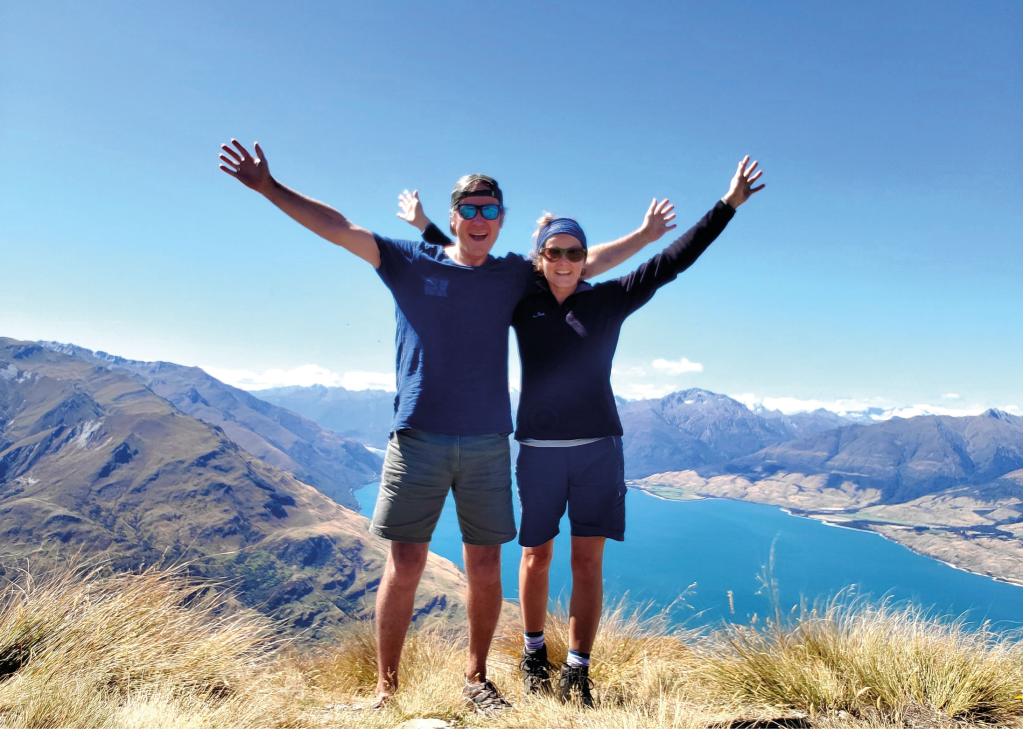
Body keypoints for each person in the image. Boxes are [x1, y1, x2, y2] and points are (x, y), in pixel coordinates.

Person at [217, 139, 677, 712]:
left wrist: (644, 237)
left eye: (490, 210)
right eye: (470, 209)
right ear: (454, 215)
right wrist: (269, 187)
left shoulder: (514, 275)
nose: (479, 219)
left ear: (502, 220)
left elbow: (585, 260)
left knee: (484, 564)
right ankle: (386, 689)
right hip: (417, 437)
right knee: (405, 562)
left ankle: (477, 680)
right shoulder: (409, 260)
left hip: (487, 441)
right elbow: (339, 227)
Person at [403, 156, 764, 707]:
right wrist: (430, 228)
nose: (566, 261)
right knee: (535, 557)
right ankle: (532, 654)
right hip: (540, 453)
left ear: (584, 259)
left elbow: (675, 260)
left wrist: (728, 205)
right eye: (555, 252)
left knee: (588, 560)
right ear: (541, 258)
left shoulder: (610, 299)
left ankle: (578, 668)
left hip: (599, 451)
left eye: (576, 252)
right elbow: (470, 263)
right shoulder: (522, 301)